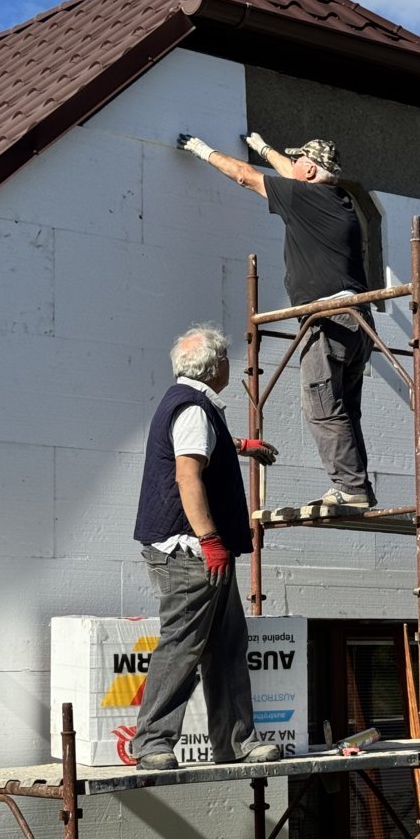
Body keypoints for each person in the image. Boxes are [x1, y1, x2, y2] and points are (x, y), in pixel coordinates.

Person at [175, 130, 375, 509]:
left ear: (310, 170)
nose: (292, 164)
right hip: (357, 321)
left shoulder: (303, 198)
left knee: (321, 404)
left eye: (298, 161)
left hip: (327, 319)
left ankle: (349, 488)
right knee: (345, 410)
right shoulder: (340, 199)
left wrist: (204, 150)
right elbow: (293, 173)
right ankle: (357, 486)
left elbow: (244, 176)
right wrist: (264, 149)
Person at [130, 324, 283, 771]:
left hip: (199, 551)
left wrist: (239, 446)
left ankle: (237, 742)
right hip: (191, 553)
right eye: (226, 360)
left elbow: (199, 447)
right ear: (216, 366)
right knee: (183, 644)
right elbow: (187, 476)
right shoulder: (194, 408)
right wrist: (211, 540)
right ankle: (152, 743)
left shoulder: (189, 404)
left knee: (226, 643)